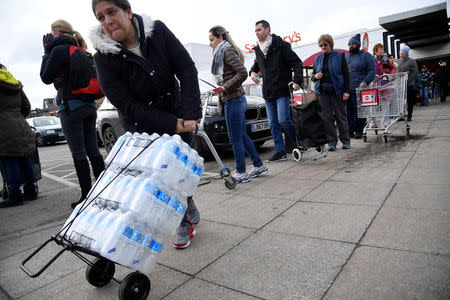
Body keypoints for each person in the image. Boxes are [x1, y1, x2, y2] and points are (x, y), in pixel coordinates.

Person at [90, 0, 202, 249]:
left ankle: (186, 205)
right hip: (144, 126)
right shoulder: (103, 58)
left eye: (112, 12)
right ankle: (183, 219)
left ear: (128, 12)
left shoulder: (158, 32)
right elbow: (126, 105)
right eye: (100, 17)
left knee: (180, 175)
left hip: (179, 113)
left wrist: (190, 113)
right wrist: (172, 123)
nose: (107, 21)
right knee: (164, 180)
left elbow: (185, 68)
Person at [40, 19, 106, 209]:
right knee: (93, 151)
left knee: (78, 153)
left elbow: (45, 77)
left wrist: (46, 53)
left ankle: (86, 196)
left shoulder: (59, 50)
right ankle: (103, 190)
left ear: (58, 33)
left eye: (52, 33)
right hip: (90, 106)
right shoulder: (81, 50)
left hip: (71, 107)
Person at [209, 26, 268, 183]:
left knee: (235, 138)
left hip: (234, 100)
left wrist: (224, 87)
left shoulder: (226, 51)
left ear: (220, 37)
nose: (210, 43)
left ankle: (241, 172)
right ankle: (258, 165)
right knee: (241, 135)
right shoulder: (222, 52)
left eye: (211, 40)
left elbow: (242, 72)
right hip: (234, 99)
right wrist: (221, 88)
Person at [249, 20, 302, 162]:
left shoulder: (281, 45)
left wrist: (297, 80)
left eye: (259, 30)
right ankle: (280, 152)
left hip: (282, 89)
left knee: (283, 119)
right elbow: (255, 66)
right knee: (273, 124)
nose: (257, 33)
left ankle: (297, 143)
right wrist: (253, 73)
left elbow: (297, 62)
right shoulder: (258, 50)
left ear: (268, 30)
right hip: (268, 92)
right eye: (255, 31)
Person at [0, 63, 38, 207]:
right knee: (23, 157)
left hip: (3, 127)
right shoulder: (14, 83)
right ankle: (30, 190)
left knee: (10, 160)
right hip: (21, 124)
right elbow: (27, 106)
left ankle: (15, 195)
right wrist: (16, 116)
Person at [311, 34, 351, 151]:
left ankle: (346, 140)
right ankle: (332, 142)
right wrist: (316, 76)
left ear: (330, 44)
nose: (323, 47)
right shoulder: (317, 58)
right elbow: (312, 77)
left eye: (325, 44)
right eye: (321, 45)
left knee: (341, 116)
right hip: (322, 92)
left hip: (337, 90)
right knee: (327, 118)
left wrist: (346, 91)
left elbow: (346, 74)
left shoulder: (339, 55)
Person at [345, 34, 375, 140]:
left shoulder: (366, 55)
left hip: (360, 88)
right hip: (348, 89)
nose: (351, 46)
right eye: (350, 44)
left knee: (360, 111)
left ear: (358, 45)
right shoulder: (346, 56)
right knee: (349, 111)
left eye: (353, 44)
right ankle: (350, 130)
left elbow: (372, 70)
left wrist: (365, 81)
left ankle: (359, 130)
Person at [396, 46, 418, 122]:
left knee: (410, 101)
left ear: (406, 54)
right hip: (400, 85)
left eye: (403, 53)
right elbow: (395, 71)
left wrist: (408, 80)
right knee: (401, 101)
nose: (401, 55)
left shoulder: (412, 61)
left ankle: (409, 115)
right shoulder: (397, 61)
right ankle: (401, 115)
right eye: (400, 53)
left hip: (409, 85)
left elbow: (415, 72)